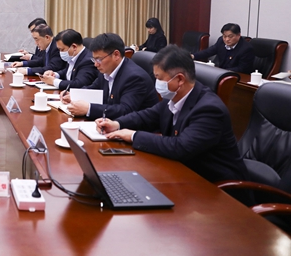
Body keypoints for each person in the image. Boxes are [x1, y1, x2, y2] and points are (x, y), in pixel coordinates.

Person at [97, 45, 248, 183]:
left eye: (159, 78)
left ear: (180, 79)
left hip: (215, 186)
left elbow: (180, 147)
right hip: (182, 174)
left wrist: (133, 136)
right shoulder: (174, 98)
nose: (156, 83)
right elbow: (147, 116)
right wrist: (117, 124)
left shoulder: (209, 109)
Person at [63, 33, 159, 120]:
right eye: (94, 59)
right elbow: (94, 88)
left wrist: (89, 109)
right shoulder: (107, 69)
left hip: (135, 129)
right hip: (111, 124)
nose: (96, 64)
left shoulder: (135, 78)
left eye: (99, 59)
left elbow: (124, 110)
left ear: (116, 55)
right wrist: (74, 95)